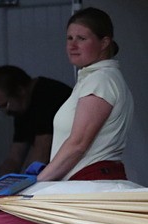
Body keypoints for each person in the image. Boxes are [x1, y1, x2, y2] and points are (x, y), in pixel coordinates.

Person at [37, 7, 132, 182]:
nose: (72, 45)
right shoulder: (93, 78)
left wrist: (37, 183)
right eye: (69, 38)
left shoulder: (101, 80)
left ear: (104, 43)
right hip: (87, 182)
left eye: (81, 38)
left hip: (91, 184)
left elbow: (78, 145)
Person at [0, 66, 73, 176]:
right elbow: (14, 157)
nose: (5, 112)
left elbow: (42, 152)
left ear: (20, 90)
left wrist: (24, 183)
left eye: (5, 105)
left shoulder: (47, 96)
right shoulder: (22, 106)